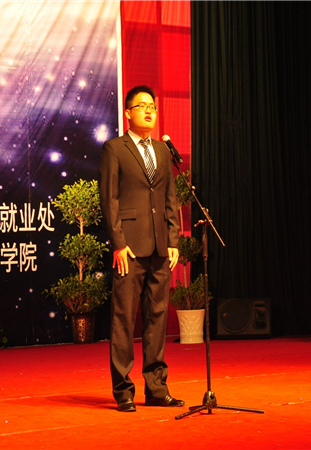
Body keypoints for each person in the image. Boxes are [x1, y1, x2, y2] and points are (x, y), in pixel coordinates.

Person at [98, 85, 184, 412]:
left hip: (160, 247)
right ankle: (123, 391)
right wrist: (118, 244)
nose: (149, 111)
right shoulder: (114, 149)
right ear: (127, 113)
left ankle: (156, 388)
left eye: (153, 106)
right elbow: (109, 199)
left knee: (157, 318)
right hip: (130, 249)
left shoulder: (162, 151)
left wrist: (173, 240)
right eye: (142, 106)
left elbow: (170, 198)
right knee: (123, 318)